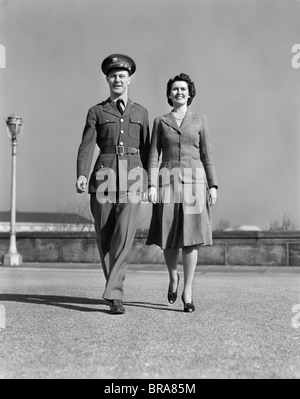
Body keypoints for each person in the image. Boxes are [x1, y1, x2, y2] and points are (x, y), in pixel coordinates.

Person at [76, 54, 150, 315]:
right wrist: (82, 174)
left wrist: (150, 181)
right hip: (103, 177)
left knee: (125, 236)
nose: (117, 79)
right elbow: (86, 146)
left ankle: (114, 294)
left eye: (122, 75)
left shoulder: (141, 112)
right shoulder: (96, 111)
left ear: (129, 79)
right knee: (105, 237)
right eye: (113, 75)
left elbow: (148, 149)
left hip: (132, 177)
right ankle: (113, 288)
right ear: (107, 79)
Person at [147, 73, 218, 313]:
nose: (179, 92)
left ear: (190, 94)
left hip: (195, 184)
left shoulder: (200, 120)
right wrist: (152, 185)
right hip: (167, 182)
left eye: (183, 89)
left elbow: (207, 156)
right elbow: (153, 156)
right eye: (175, 89)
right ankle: (173, 276)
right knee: (168, 237)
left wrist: (214, 185)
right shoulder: (160, 121)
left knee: (191, 238)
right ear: (169, 94)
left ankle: (188, 290)